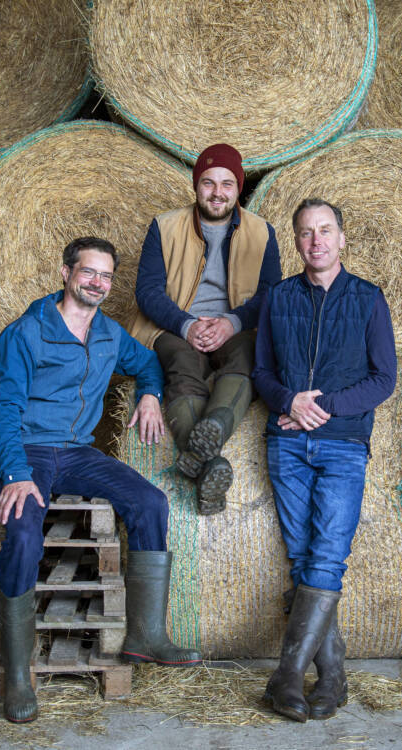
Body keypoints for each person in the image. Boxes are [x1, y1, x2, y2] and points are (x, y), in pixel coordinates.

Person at [0, 237, 200, 724]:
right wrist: (15, 472)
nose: (97, 283)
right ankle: (18, 672)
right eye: (88, 273)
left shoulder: (108, 334)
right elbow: (4, 408)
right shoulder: (28, 332)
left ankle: (146, 635)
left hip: (77, 453)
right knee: (21, 529)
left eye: (105, 276)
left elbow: (146, 363)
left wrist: (149, 394)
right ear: (65, 273)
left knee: (150, 502)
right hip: (26, 449)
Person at [252, 199, 397, 722]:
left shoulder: (367, 298)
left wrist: (322, 407)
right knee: (303, 558)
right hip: (286, 442)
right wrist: (287, 401)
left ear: (342, 239)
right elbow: (261, 371)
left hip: (343, 445)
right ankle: (332, 676)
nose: (317, 241)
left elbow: (384, 379)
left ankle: (288, 675)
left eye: (326, 230)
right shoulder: (279, 297)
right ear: (297, 242)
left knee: (327, 556)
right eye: (307, 232)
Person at [132, 143, 282, 514]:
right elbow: (147, 291)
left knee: (249, 355)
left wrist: (231, 323)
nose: (218, 192)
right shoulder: (164, 226)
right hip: (175, 325)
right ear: (196, 185)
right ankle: (210, 464)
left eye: (227, 184)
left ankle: (209, 435)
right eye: (209, 183)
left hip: (235, 328)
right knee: (182, 366)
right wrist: (185, 325)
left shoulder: (262, 233)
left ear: (238, 188)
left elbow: (270, 294)